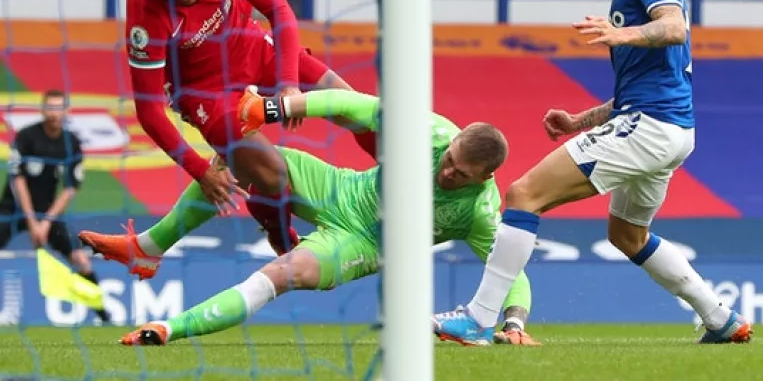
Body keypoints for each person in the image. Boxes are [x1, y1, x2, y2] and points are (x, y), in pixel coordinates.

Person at [432, 0, 753, 346]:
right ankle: (720, 317)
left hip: (649, 129)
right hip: (668, 128)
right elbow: (644, 87)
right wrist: (581, 121)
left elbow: (674, 26)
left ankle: (479, 318)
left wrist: (622, 35)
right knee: (627, 235)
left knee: (523, 194)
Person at [110, 87, 539, 347]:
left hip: (364, 243)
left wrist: (515, 321)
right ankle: (147, 248)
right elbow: (353, 105)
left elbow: (509, 270)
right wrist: (275, 108)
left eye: (460, 174)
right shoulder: (434, 132)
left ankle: (168, 329)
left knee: (280, 274)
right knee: (237, 158)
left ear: (486, 177)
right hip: (339, 187)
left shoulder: (482, 210)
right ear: (454, 141)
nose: (447, 172)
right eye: (449, 160)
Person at [125, 0, 376, 257]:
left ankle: (400, 186)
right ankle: (277, 230)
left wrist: (288, 85)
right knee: (272, 174)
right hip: (205, 94)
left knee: (350, 104)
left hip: (254, 49)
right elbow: (148, 110)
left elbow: (279, 10)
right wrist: (201, 171)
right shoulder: (144, 9)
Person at [0, 90, 109, 324]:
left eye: (58, 108)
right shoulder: (26, 137)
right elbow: (18, 180)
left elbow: (70, 188)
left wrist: (46, 222)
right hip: (11, 210)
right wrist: (33, 222)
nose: (54, 113)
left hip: (48, 215)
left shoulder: (70, 142)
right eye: (50, 108)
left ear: (66, 111)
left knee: (80, 260)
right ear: (43, 110)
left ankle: (106, 318)